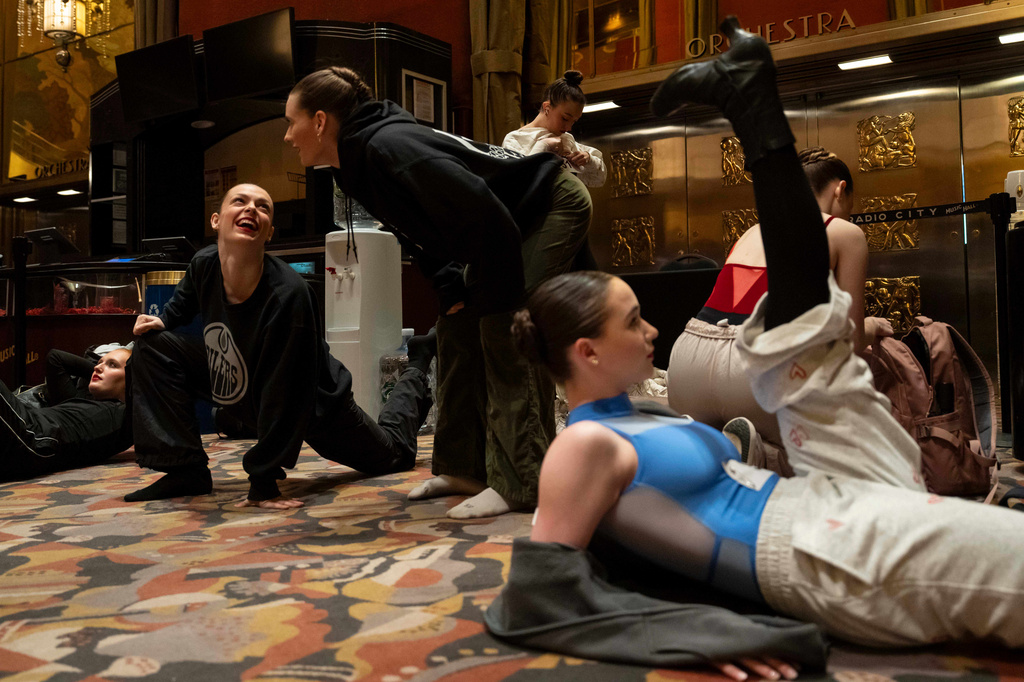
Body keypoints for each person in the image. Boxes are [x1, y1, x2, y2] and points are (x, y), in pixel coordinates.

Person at [485, 18, 1024, 674]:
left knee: (811, 354)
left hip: (826, 496)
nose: (653, 328)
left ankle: (754, 108)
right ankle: (756, 109)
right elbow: (539, 594)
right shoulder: (581, 445)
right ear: (586, 353)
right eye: (633, 323)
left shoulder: (635, 414)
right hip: (819, 552)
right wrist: (705, 634)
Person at [284, 68, 591, 518]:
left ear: (319, 121)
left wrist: (499, 303)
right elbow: (413, 228)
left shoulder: (389, 147)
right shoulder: (353, 164)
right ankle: (466, 468)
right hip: (501, 224)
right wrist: (450, 289)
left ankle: (523, 482)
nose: (288, 136)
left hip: (548, 205)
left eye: (290, 122)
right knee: (456, 328)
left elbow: (488, 216)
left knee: (506, 333)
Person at [126, 183, 435, 509]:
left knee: (393, 455)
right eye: (240, 201)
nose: (251, 209)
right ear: (216, 220)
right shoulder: (204, 264)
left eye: (262, 207)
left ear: (269, 232)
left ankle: (417, 364)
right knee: (152, 346)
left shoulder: (289, 295)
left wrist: (264, 480)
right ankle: (184, 470)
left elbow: (287, 392)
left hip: (315, 404)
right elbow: (185, 302)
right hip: (241, 377)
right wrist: (164, 321)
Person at [666, 146, 898, 480]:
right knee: (830, 453)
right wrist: (872, 326)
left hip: (689, 358)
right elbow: (848, 342)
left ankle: (721, 449)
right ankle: (762, 457)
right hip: (756, 368)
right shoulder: (845, 233)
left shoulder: (755, 229)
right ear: (840, 189)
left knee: (712, 476)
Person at [0, 347, 132, 482]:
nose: (97, 368)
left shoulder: (125, 415)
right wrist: (102, 370)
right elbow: (55, 358)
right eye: (99, 363)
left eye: (113, 365)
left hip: (34, 437)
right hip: (22, 434)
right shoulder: (76, 399)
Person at [502, 70, 607, 189]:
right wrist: (544, 145)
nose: (569, 128)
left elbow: (599, 179)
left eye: (574, 121)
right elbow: (517, 183)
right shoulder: (515, 139)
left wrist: (588, 159)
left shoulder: (567, 139)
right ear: (547, 107)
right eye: (565, 118)